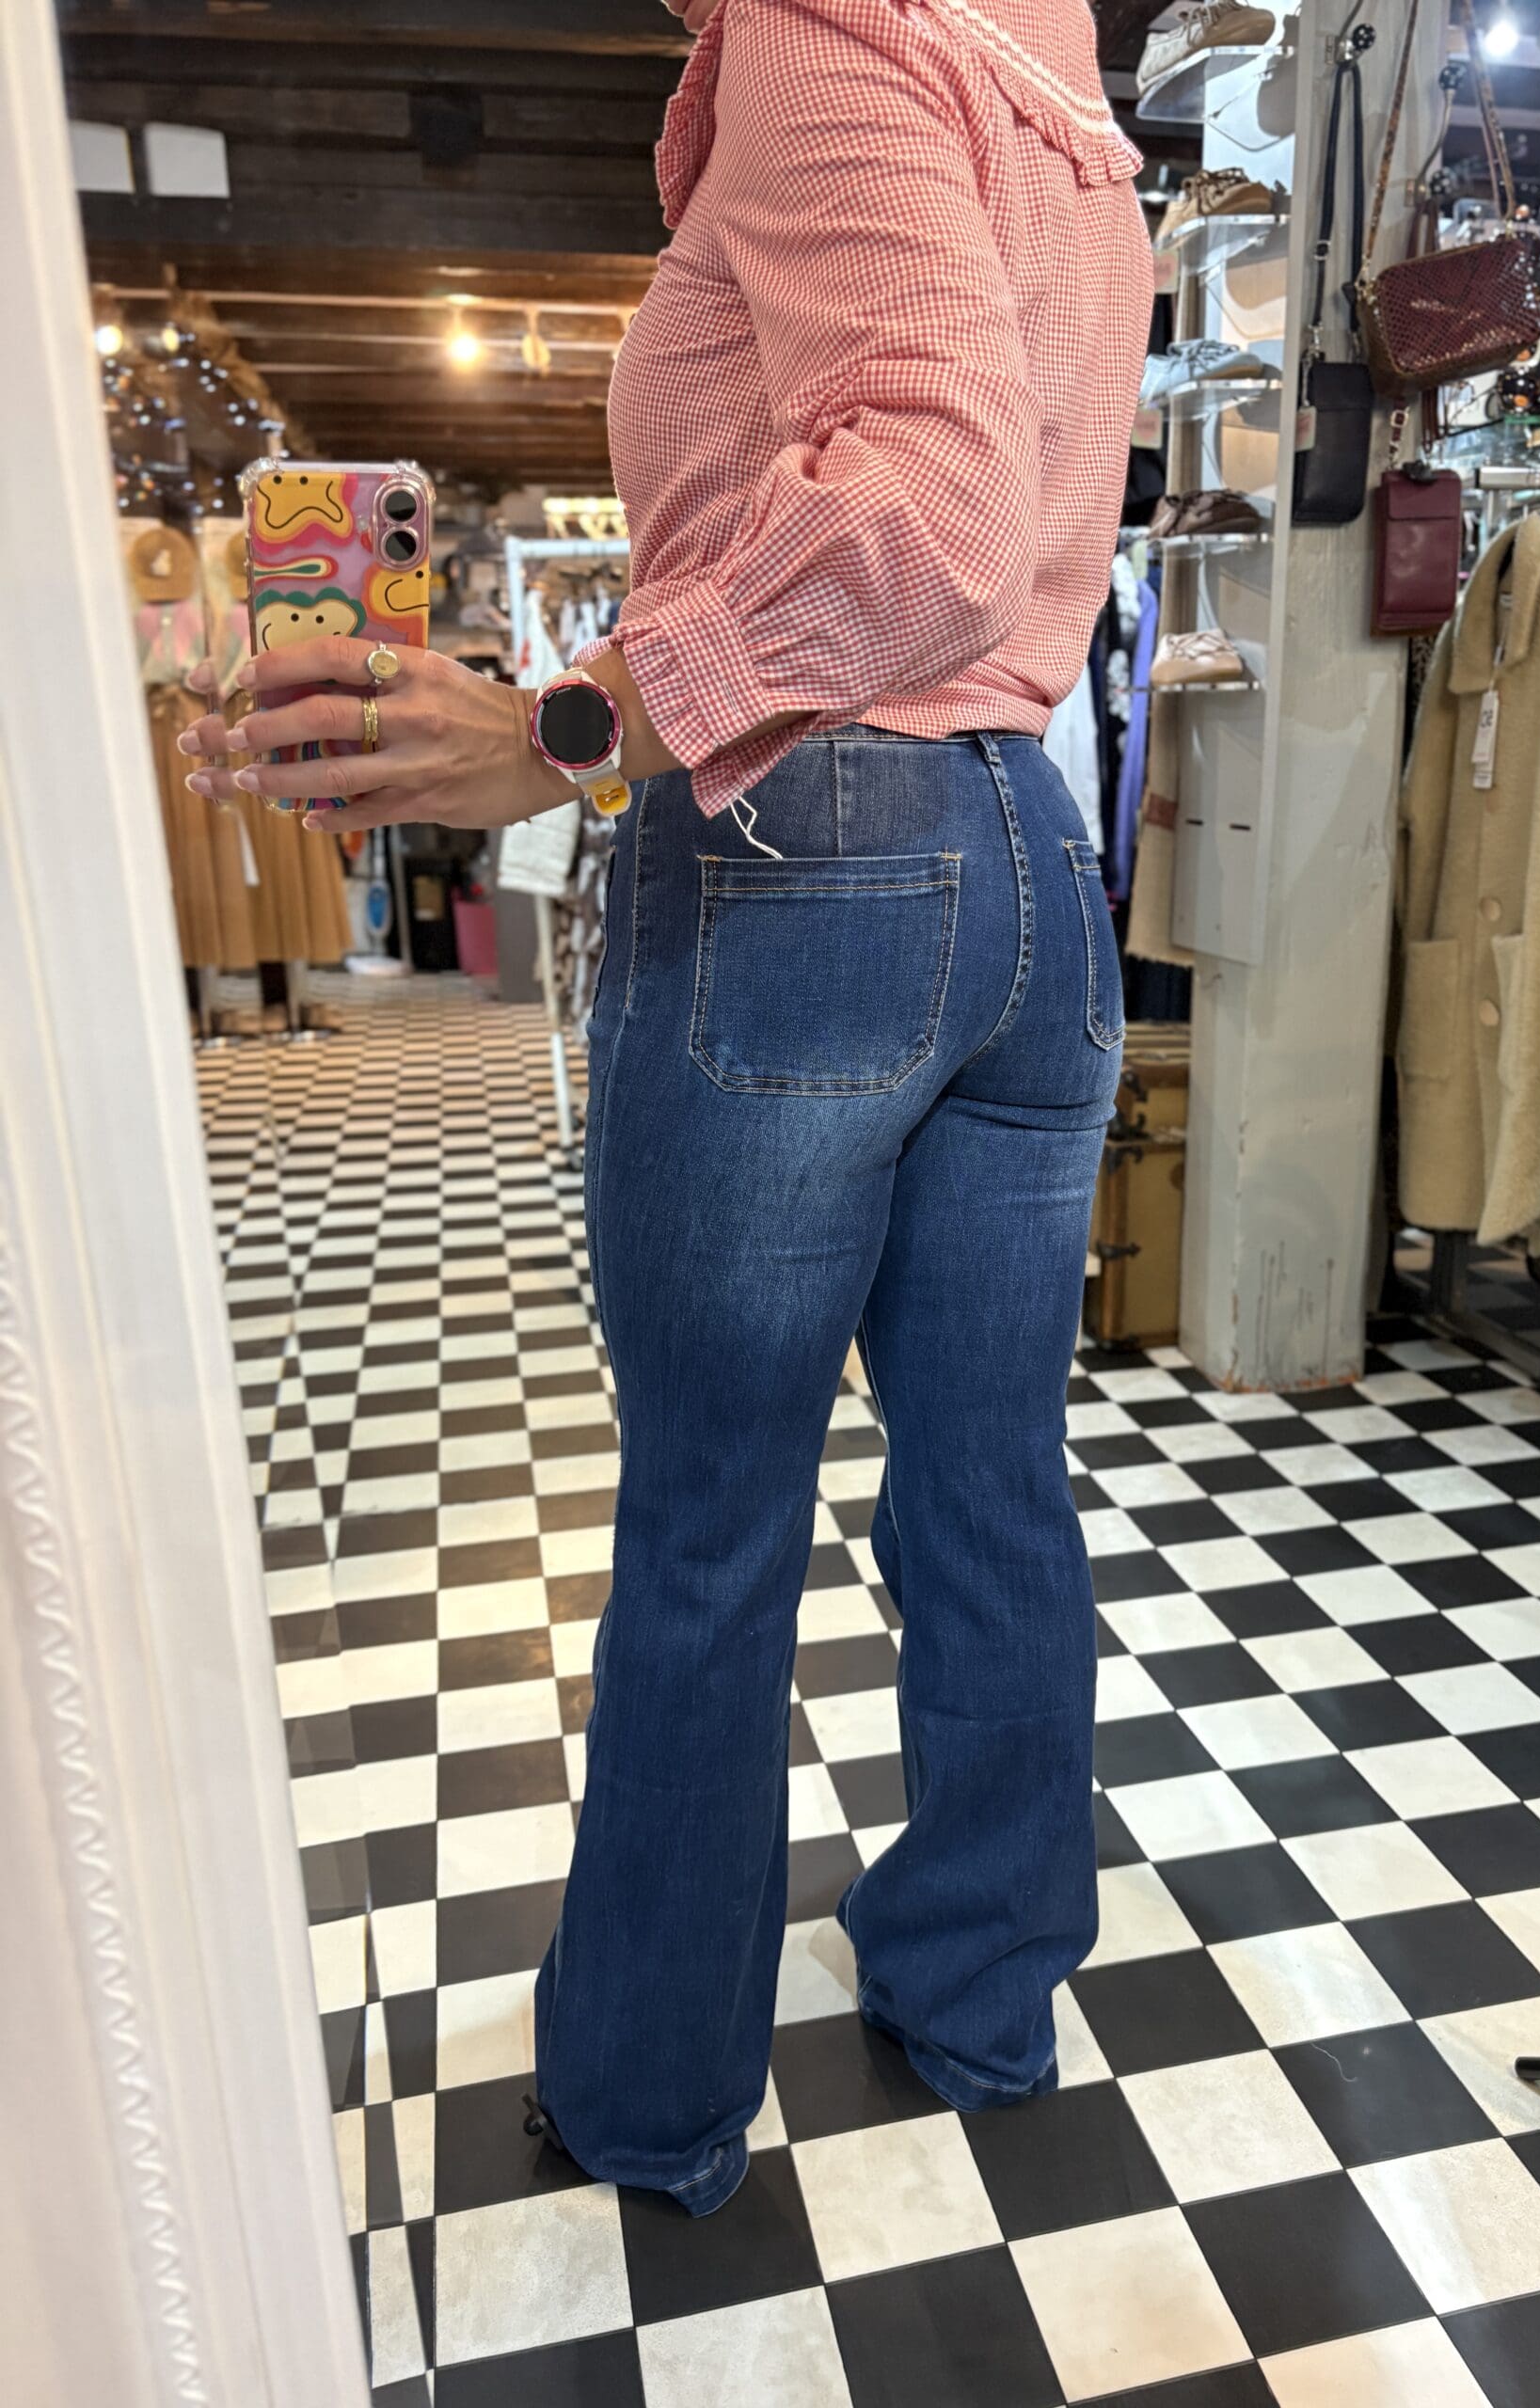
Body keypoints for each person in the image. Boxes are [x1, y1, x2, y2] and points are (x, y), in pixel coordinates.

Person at [183, 0, 1151, 2216]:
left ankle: (650, 2087)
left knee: (717, 1516)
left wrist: (570, 722)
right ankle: (983, 1989)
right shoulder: (1054, 90)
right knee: (991, 1486)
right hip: (1030, 839)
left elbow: (935, 501)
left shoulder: (831, 33)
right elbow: (1001, 516)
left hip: (813, 843)